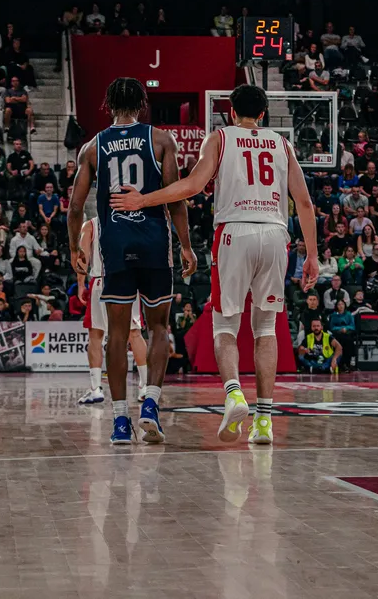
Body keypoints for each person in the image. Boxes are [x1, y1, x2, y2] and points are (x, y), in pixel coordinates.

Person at [112, 84, 318, 445]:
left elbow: (191, 186)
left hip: (235, 232)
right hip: (274, 234)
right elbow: (304, 202)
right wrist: (312, 255)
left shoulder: (220, 138)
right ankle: (264, 421)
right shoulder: (282, 145)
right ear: (264, 114)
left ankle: (234, 393)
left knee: (224, 325)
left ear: (231, 111)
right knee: (265, 328)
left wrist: (144, 200)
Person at [67, 77, 197, 446]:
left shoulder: (92, 147)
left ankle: (120, 420)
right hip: (155, 243)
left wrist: (75, 249)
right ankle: (151, 405)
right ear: (142, 103)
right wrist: (186, 246)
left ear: (107, 105)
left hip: (115, 246)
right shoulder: (161, 140)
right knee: (157, 328)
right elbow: (176, 199)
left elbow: (76, 207)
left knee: (118, 335)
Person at [75, 216, 150, 405]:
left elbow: (82, 257)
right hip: (128, 280)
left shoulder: (91, 225)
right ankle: (145, 387)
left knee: (96, 335)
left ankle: (95, 389)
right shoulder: (134, 221)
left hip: (102, 281)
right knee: (134, 333)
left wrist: (81, 285)